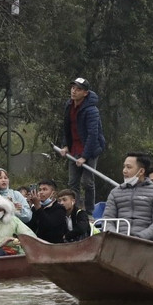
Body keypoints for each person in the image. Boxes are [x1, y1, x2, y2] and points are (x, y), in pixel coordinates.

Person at [59, 76, 106, 216]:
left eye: (78, 89)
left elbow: (93, 135)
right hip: (74, 148)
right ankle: (76, 211)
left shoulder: (92, 110)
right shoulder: (69, 105)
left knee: (87, 182)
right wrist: (66, 145)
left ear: (85, 93)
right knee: (72, 182)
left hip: (90, 149)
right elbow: (67, 128)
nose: (74, 91)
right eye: (73, 88)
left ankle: (90, 212)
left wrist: (85, 156)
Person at [105, 152, 153, 241]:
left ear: (141, 171)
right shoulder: (115, 193)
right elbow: (107, 220)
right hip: (117, 242)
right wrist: (115, 237)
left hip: (145, 244)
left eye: (129, 167)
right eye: (124, 167)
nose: (124, 170)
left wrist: (138, 238)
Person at [0, 191, 36, 255]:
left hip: (13, 253)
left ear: (5, 210)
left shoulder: (13, 220)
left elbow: (28, 235)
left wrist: (23, 242)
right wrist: (1, 242)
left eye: (0, 209)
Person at [29, 179, 67, 244]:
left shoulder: (59, 208)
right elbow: (30, 227)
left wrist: (38, 206)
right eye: (40, 190)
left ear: (53, 193)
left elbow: (49, 225)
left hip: (54, 246)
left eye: (45, 189)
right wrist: (29, 206)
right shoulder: (35, 207)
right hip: (37, 245)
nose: (41, 192)